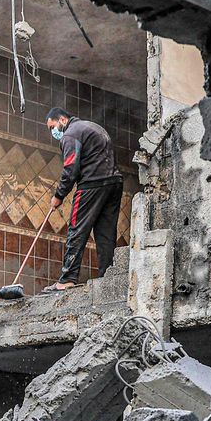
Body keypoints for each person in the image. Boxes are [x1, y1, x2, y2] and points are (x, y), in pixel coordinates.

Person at [42, 107, 122, 292]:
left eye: (52, 126)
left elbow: (70, 169)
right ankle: (108, 277)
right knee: (106, 233)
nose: (52, 132)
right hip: (115, 183)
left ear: (62, 119)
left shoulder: (70, 134)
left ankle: (67, 278)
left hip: (92, 184)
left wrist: (58, 196)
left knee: (77, 228)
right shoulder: (93, 127)